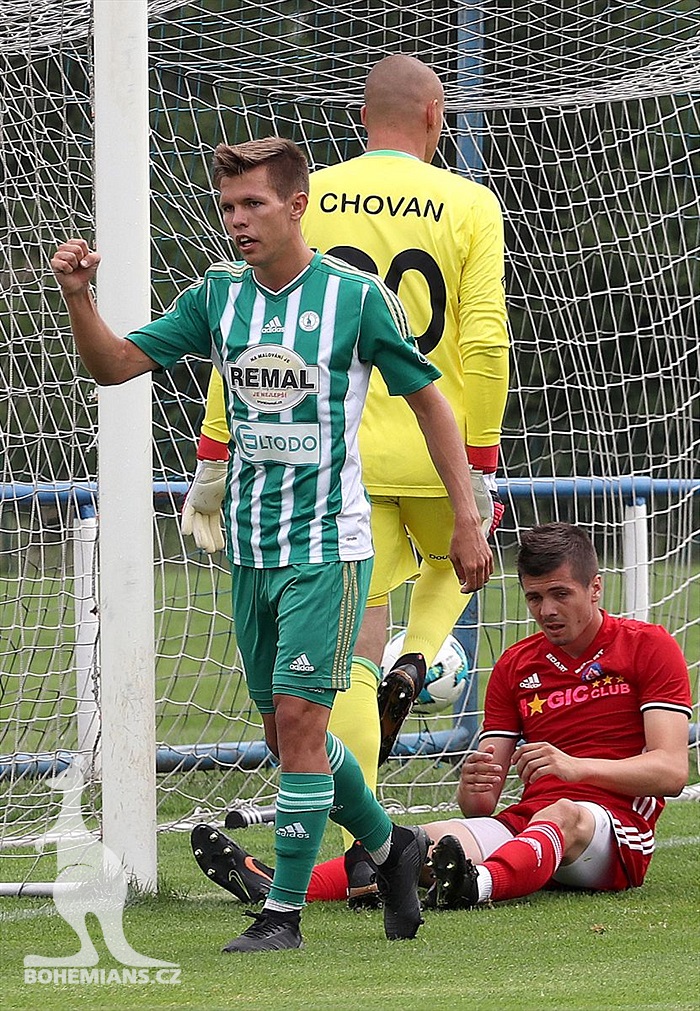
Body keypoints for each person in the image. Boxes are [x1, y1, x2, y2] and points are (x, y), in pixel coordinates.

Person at [50, 137, 493, 952]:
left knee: (298, 720)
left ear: (296, 206)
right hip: (250, 552)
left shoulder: (355, 299)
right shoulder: (219, 296)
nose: (236, 221)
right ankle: (395, 848)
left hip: (328, 546)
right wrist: (81, 296)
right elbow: (114, 365)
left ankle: (282, 915)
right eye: (227, 207)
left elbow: (430, 401)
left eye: (252, 204)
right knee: (293, 735)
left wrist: (466, 512)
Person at [183, 55, 508, 874]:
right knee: (458, 564)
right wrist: (480, 463)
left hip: (335, 452)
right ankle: (423, 653)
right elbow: (483, 340)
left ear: (363, 117)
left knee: (345, 662)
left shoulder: (308, 194)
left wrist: (214, 451)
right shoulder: (470, 202)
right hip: (439, 443)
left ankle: (353, 848)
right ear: (436, 115)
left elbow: (253, 333)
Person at [195, 523, 692, 909]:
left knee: (561, 815)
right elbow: (481, 805)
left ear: (595, 588)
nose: (547, 610)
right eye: (535, 597)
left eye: (561, 594)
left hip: (615, 834)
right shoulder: (517, 665)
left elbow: (671, 773)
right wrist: (475, 784)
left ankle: (475, 886)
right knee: (414, 842)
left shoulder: (648, 647)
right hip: (529, 825)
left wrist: (576, 768)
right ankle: (272, 884)